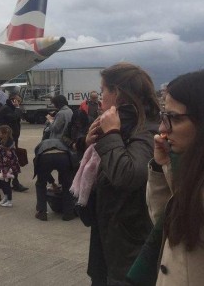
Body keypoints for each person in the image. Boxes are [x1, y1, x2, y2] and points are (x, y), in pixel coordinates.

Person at [79, 62, 160, 285]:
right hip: (110, 238)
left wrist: (111, 134)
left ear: (118, 93)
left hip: (129, 245)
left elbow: (128, 175)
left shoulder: (146, 129)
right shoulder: (122, 126)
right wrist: (89, 144)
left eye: (103, 90)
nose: (100, 96)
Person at [143, 68, 204, 285]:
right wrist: (164, 169)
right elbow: (169, 225)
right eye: (164, 116)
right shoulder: (196, 172)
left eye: (173, 118)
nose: (162, 128)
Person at [0, 93, 28, 192]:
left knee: (8, 161)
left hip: (11, 137)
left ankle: (7, 182)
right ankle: (12, 183)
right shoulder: (6, 108)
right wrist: (18, 108)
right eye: (18, 101)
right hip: (7, 139)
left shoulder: (10, 108)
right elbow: (13, 117)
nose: (19, 103)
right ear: (13, 100)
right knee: (10, 161)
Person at [0, 125, 20, 207]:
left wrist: (6, 169)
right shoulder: (2, 142)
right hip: (3, 165)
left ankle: (9, 200)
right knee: (1, 182)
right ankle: (6, 196)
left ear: (4, 134)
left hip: (8, 167)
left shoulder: (8, 145)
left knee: (6, 183)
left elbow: (9, 159)